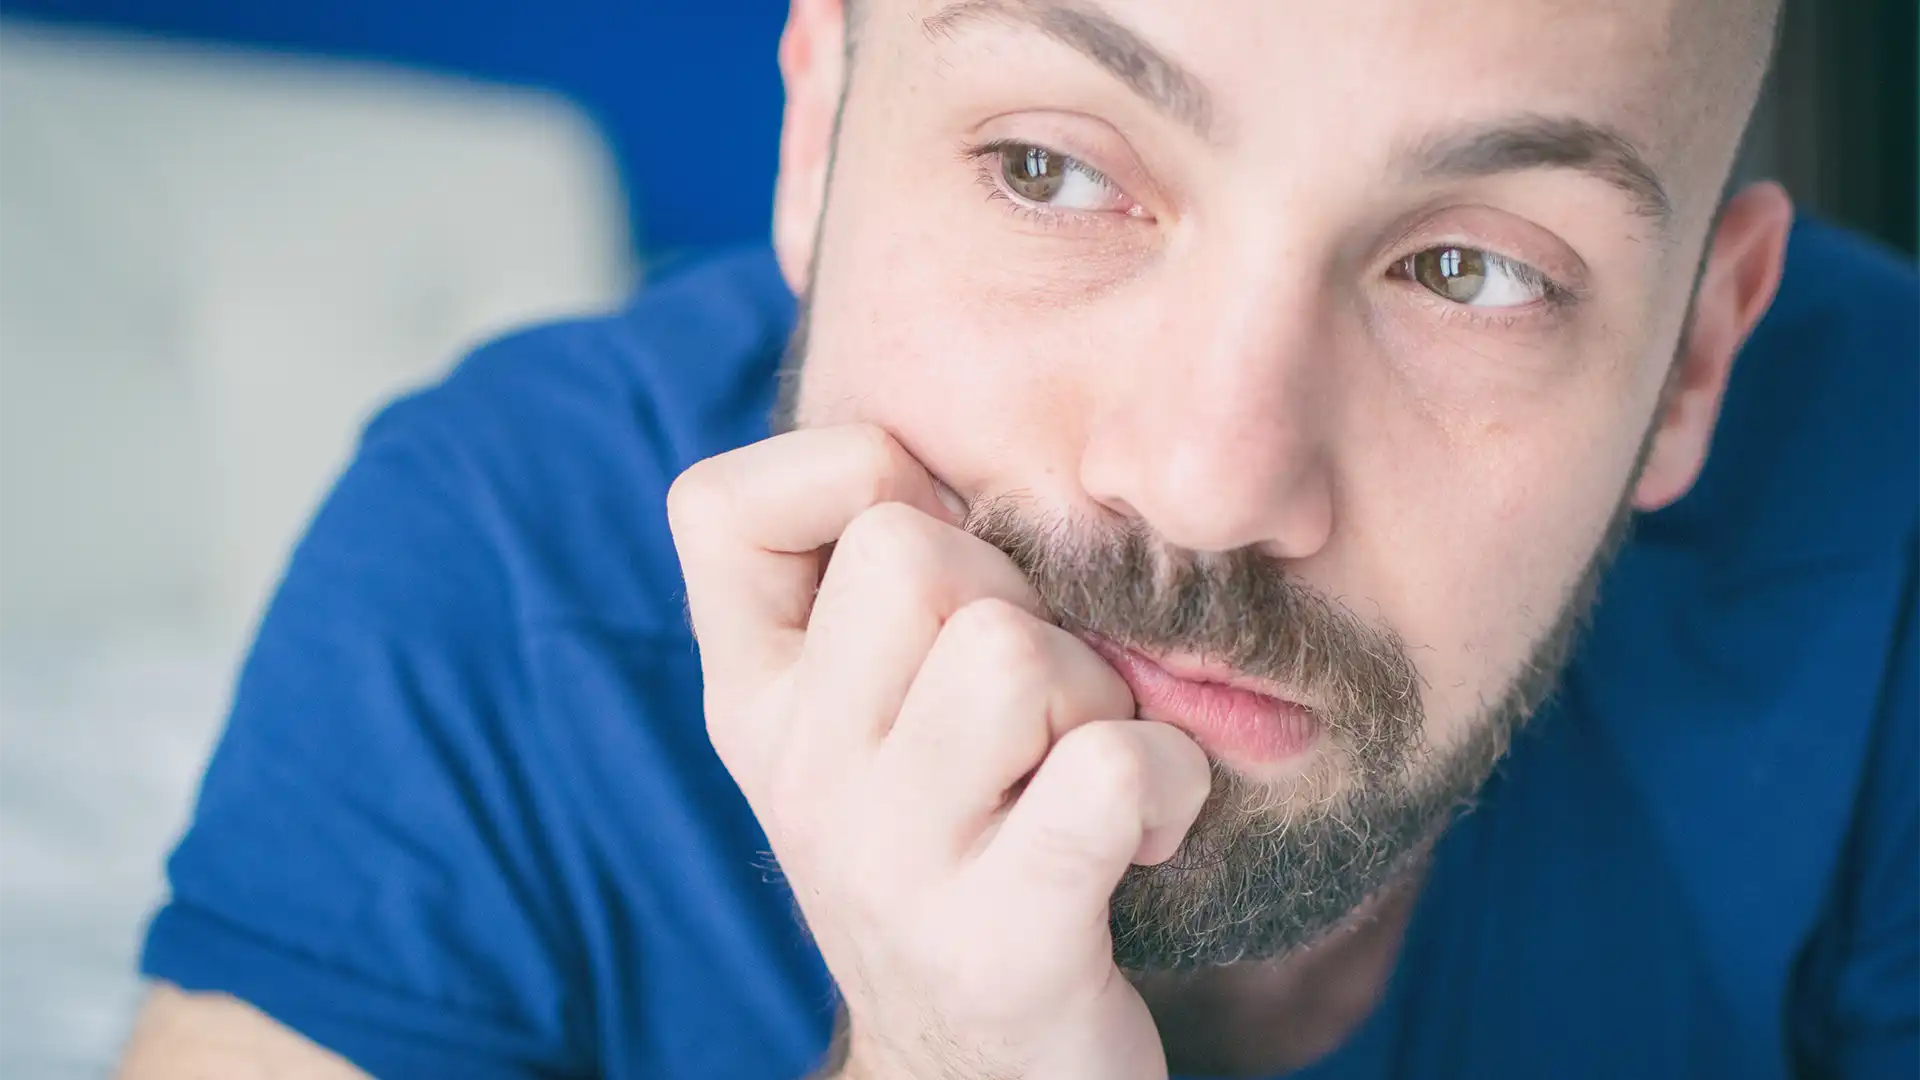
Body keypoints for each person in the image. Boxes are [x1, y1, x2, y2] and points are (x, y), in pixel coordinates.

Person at [116, 0, 1920, 1077]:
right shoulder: (490, 582)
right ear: (818, 129)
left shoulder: (1884, 528)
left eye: (1471, 272)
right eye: (1050, 170)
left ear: (1695, 354)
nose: (1212, 479)